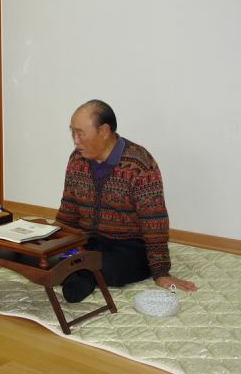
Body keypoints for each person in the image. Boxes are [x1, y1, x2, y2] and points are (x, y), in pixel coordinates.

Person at [57, 99, 197, 303]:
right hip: (90, 240)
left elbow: (154, 221)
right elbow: (68, 208)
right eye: (72, 133)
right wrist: (56, 242)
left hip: (129, 244)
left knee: (114, 268)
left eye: (80, 133)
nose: (75, 140)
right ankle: (82, 267)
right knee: (48, 257)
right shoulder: (76, 160)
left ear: (104, 131)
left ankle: (80, 271)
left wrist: (161, 271)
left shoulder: (140, 164)